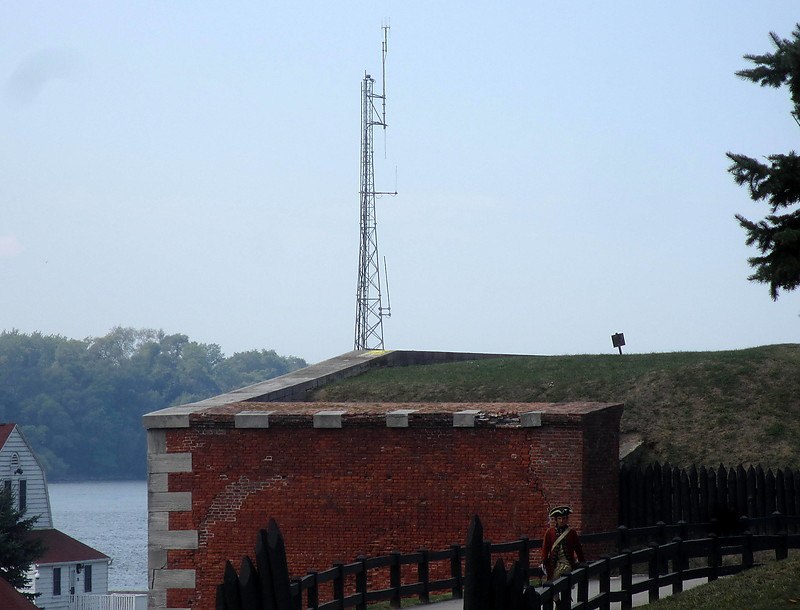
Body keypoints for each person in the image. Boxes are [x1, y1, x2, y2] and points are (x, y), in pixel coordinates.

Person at [540, 505, 585, 581]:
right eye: (559, 518)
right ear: (556, 520)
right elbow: (545, 548)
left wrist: (582, 562)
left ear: (567, 519)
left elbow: (578, 549)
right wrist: (543, 561)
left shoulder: (572, 533)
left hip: (567, 563)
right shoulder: (549, 532)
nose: (561, 521)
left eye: (564, 518)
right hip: (553, 564)